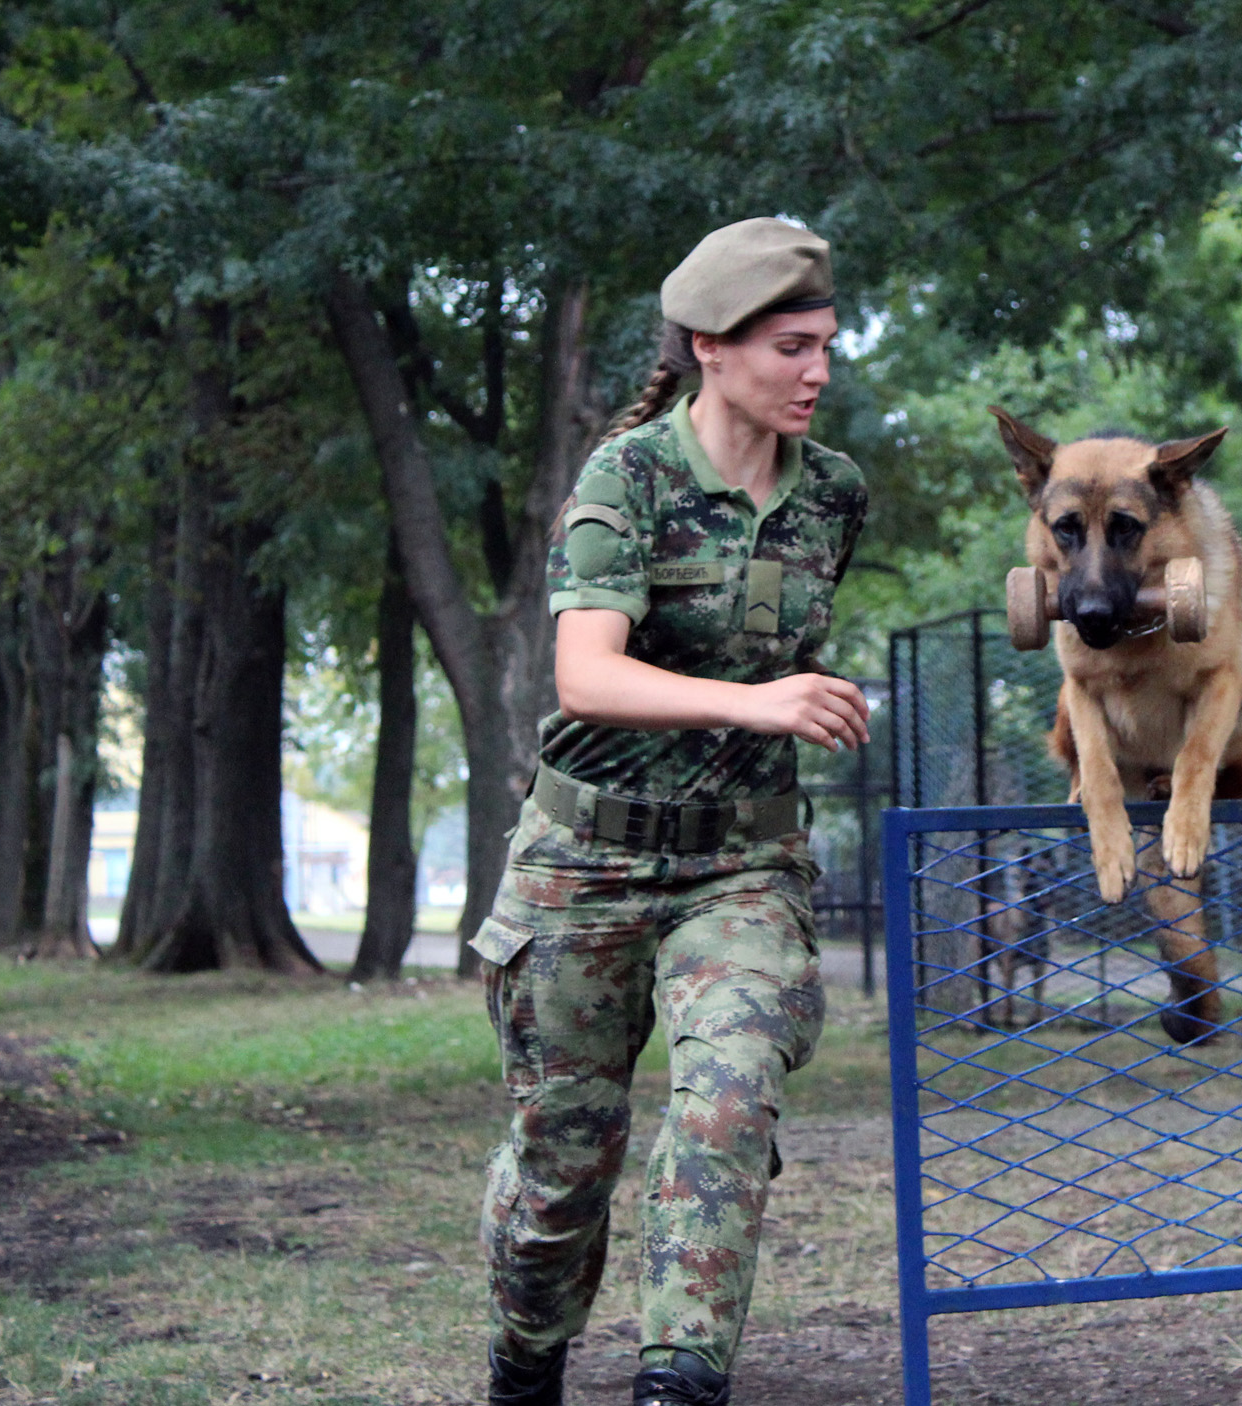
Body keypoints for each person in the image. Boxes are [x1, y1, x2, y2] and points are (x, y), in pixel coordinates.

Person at [472, 217, 871, 1406]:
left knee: (727, 1095)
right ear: (709, 344)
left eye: (826, 346)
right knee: (560, 1172)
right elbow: (584, 675)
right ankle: (525, 1359)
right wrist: (759, 704)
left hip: (740, 871)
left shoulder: (836, 495)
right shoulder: (627, 477)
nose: (818, 371)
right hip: (582, 863)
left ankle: (678, 1379)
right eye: (792, 347)